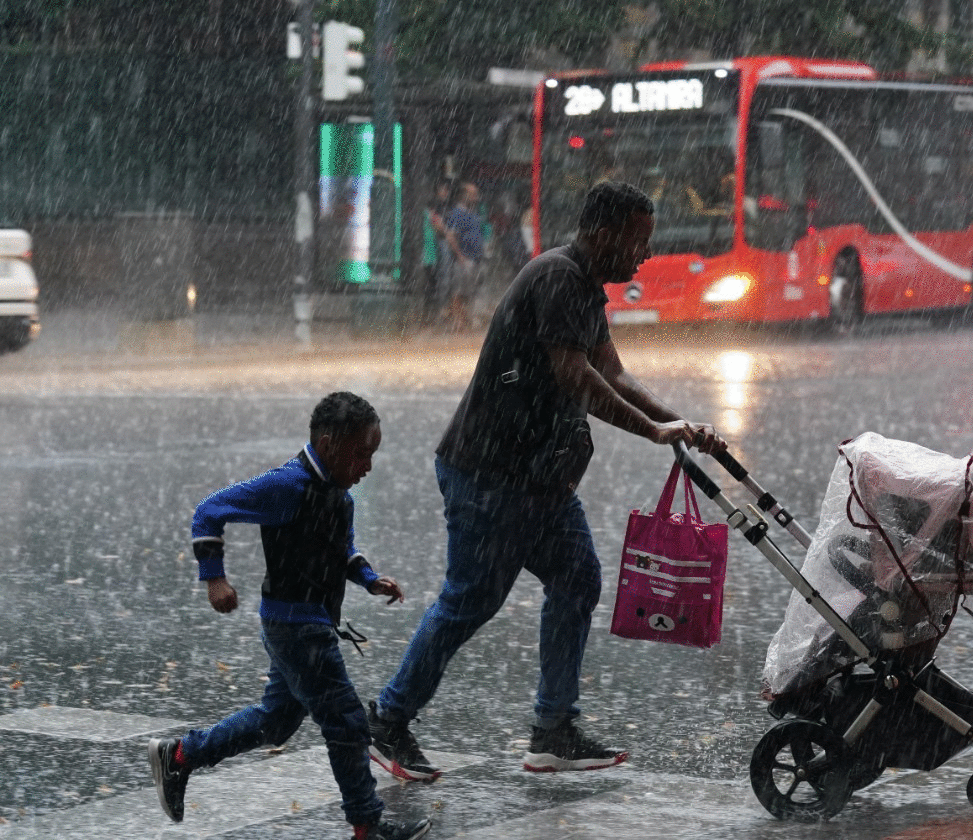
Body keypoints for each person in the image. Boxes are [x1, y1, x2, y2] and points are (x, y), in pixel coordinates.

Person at [368, 181, 726, 780]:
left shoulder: (585, 288)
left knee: (576, 578)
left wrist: (677, 423)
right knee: (470, 600)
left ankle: (553, 730)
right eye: (637, 243)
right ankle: (388, 719)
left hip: (538, 480)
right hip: (489, 472)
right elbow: (576, 377)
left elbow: (613, 371)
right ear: (604, 233)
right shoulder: (557, 277)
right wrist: (651, 432)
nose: (641, 256)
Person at [147, 392, 431, 840]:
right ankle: (367, 827)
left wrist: (370, 579)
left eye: (371, 455)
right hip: (296, 627)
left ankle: (181, 755)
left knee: (277, 720)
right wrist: (214, 579)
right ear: (327, 442)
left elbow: (340, 549)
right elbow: (208, 512)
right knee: (347, 723)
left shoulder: (340, 495)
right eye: (361, 454)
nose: (367, 467)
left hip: (307, 623)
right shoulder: (287, 485)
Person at [440, 181, 485, 332]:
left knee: (470, 291)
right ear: (463, 196)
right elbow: (451, 236)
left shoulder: (473, 213)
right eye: (472, 194)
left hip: (475, 258)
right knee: (458, 291)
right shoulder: (457, 214)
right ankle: (458, 322)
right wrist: (460, 256)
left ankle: (464, 321)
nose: (476, 197)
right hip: (464, 259)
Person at [421, 179, 453, 323]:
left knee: (431, 285)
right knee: (433, 285)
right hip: (429, 256)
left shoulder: (428, 214)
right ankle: (432, 314)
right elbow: (441, 228)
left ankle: (430, 315)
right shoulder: (431, 214)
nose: (445, 193)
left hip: (429, 256)